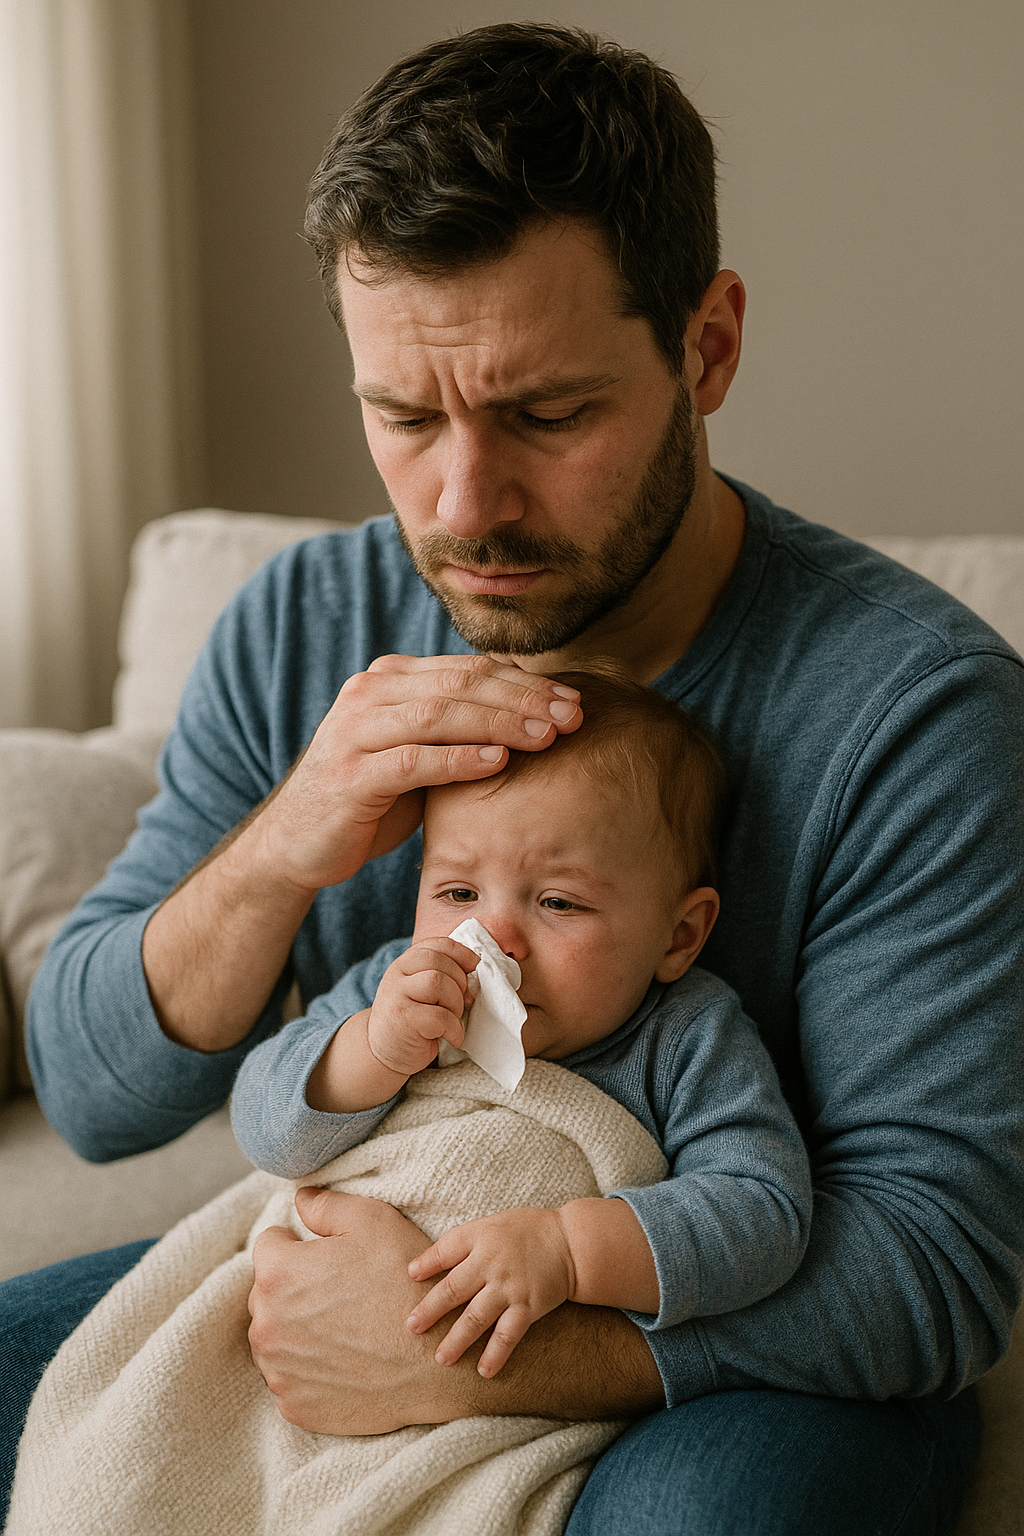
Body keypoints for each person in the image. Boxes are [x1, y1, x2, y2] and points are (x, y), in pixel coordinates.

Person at [4, 20, 1023, 1536]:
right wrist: (288, 844)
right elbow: (94, 1092)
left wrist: (466, 1354)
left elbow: (930, 1275)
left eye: (548, 415)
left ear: (709, 346)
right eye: (404, 418)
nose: (464, 503)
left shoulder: (918, 716)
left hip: (740, 1374)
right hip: (355, 1254)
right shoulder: (302, 626)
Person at [228, 671, 811, 1381]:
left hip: (496, 1380)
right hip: (303, 1313)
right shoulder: (396, 985)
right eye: (458, 892)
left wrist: (569, 1251)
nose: (490, 938)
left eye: (560, 902)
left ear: (678, 936)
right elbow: (263, 1126)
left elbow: (764, 1214)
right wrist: (372, 1052)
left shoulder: (686, 1037)